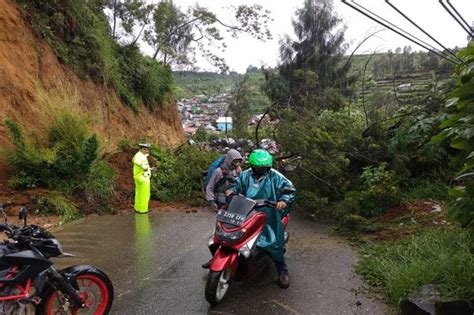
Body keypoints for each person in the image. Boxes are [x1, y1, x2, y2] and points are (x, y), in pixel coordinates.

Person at [226, 149, 296, 288]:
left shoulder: (276, 177)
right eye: (256, 167)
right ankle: (222, 257)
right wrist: (232, 190)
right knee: (231, 233)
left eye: (262, 167)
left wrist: (283, 200)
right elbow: (236, 184)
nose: (259, 169)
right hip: (246, 211)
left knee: (275, 243)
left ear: (268, 166)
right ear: (251, 165)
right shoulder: (245, 175)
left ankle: (282, 271)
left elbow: (290, 189)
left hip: (269, 214)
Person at [202, 148, 243, 269]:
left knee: (234, 231)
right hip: (221, 204)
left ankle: (233, 256)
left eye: (239, 161)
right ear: (229, 159)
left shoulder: (238, 171)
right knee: (219, 233)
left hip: (234, 204)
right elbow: (209, 187)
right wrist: (211, 201)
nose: (237, 163)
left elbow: (242, 185)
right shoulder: (218, 172)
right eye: (235, 161)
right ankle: (215, 258)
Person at [132, 143, 153, 214]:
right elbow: (136, 161)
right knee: (145, 194)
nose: (146, 151)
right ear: (140, 149)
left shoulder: (140, 155)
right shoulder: (139, 156)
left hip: (139, 177)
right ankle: (143, 210)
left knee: (139, 193)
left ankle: (137, 208)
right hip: (143, 178)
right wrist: (143, 166)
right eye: (145, 149)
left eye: (147, 149)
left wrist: (150, 168)